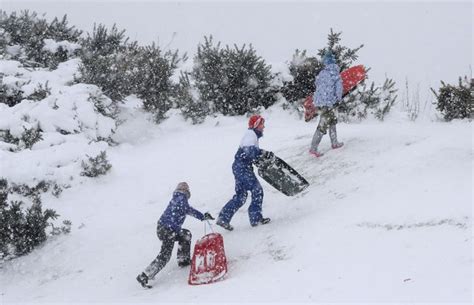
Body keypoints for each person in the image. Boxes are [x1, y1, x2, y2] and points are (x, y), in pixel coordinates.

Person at [136, 182, 214, 288]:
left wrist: (202, 216)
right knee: (165, 255)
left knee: (185, 234)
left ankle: (183, 259)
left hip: (164, 228)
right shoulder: (181, 199)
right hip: (168, 229)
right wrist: (202, 217)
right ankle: (145, 275)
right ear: (186, 192)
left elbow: (188, 210)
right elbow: (187, 211)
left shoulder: (177, 199)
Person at [216, 114, 273, 231]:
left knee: (241, 196)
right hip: (242, 168)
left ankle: (223, 218)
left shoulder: (252, 136)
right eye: (262, 124)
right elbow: (249, 151)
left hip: (239, 167)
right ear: (256, 125)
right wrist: (263, 153)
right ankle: (255, 218)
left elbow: (250, 154)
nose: (264, 127)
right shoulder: (250, 135)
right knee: (257, 190)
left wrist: (261, 158)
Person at [309, 50, 344, 157]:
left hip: (320, 102)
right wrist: (338, 99)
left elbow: (317, 85)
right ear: (334, 63)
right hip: (328, 103)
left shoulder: (321, 73)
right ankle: (313, 148)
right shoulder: (335, 75)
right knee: (323, 125)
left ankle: (334, 143)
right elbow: (339, 90)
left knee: (332, 121)